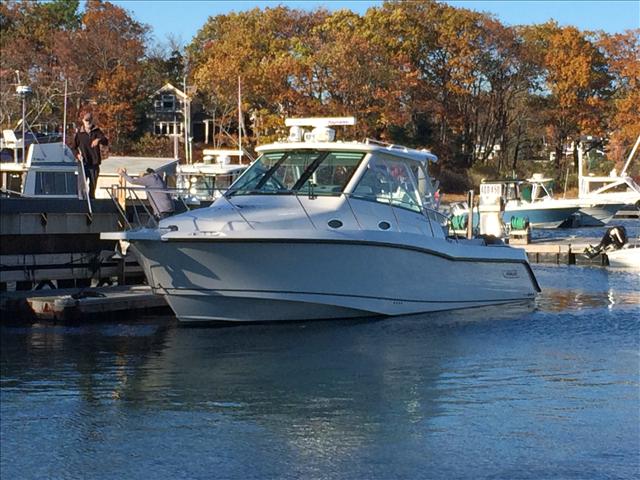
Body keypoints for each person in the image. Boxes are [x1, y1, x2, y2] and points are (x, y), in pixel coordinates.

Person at [72, 112, 108, 198]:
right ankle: (81, 204)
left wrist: (98, 140)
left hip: (94, 164)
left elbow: (105, 141)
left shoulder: (97, 131)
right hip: (83, 163)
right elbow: (73, 147)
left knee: (93, 187)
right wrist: (77, 155)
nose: (88, 122)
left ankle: (92, 204)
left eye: (89, 120)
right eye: (86, 120)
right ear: (83, 121)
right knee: (81, 187)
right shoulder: (79, 134)